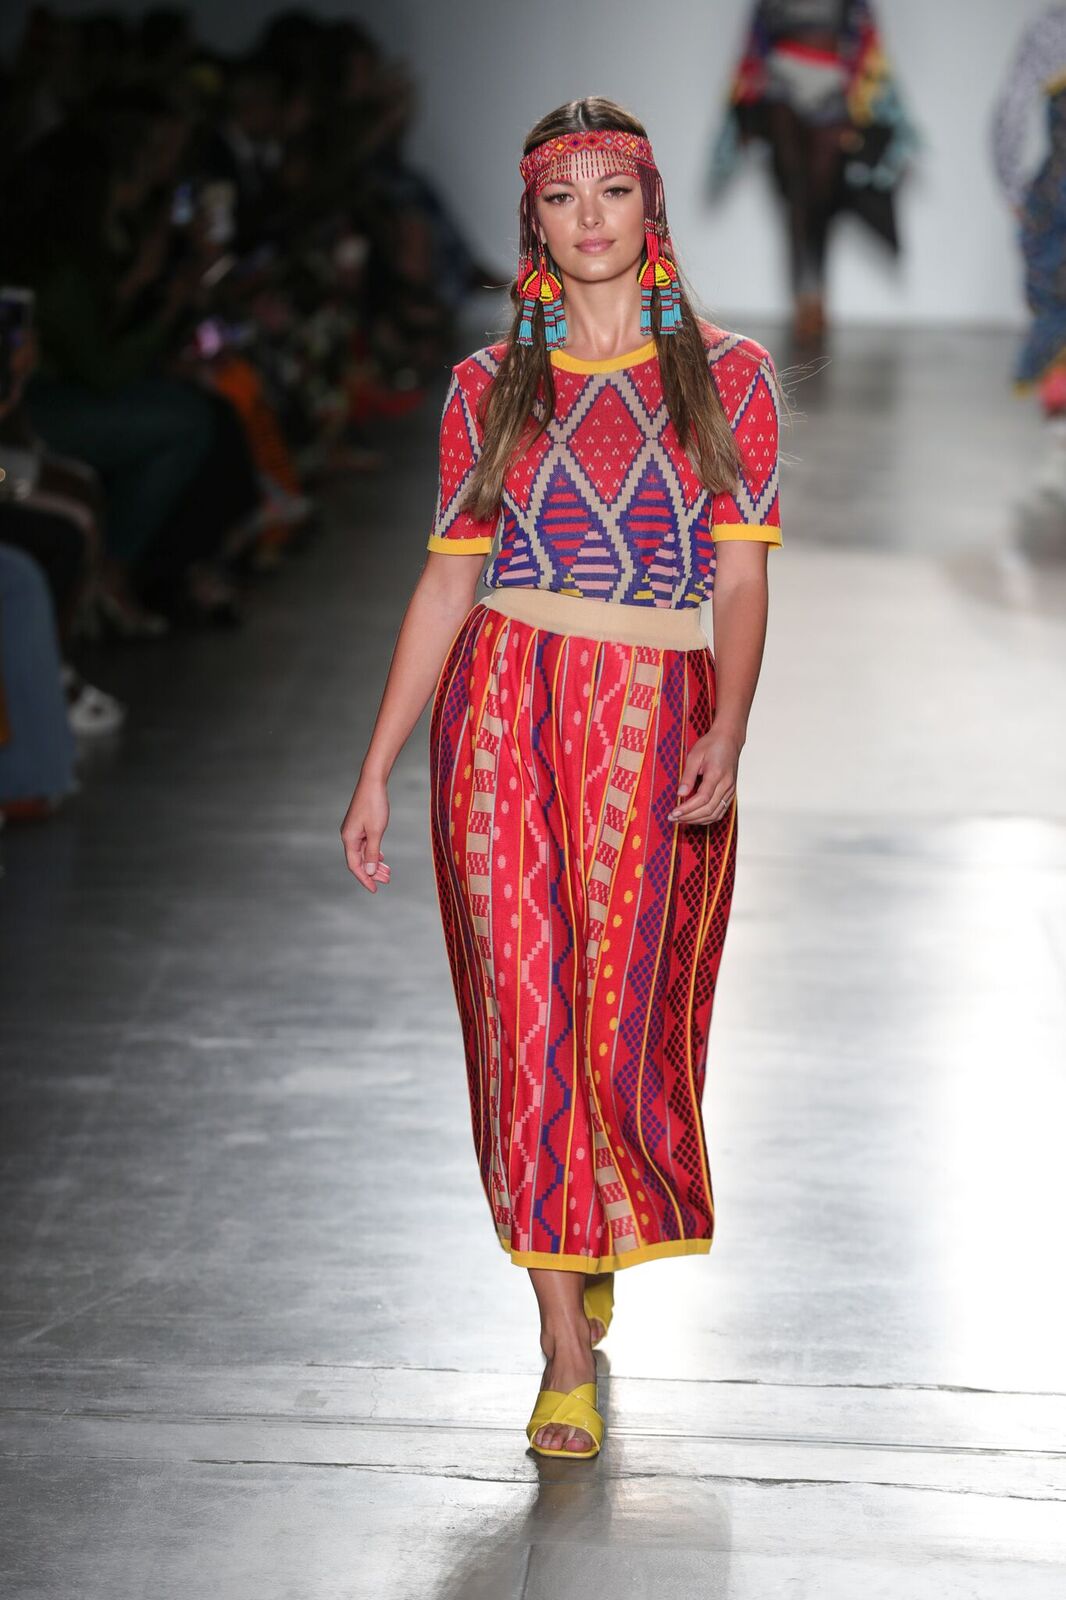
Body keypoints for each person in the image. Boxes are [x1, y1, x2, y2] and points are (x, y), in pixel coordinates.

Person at [340, 97, 783, 1460]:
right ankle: (558, 1346)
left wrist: (730, 728)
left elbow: (740, 575)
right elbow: (447, 583)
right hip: (501, 710)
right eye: (560, 195)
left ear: (651, 208)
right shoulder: (488, 385)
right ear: (531, 219)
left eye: (612, 190)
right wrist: (375, 766)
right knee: (524, 1015)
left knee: (621, 1019)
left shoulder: (727, 375)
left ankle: (589, 1226)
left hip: (654, 712)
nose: (589, 217)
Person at [710, 0, 917, 347]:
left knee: (822, 199)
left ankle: (816, 294)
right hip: (781, 84)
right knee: (795, 195)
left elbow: (867, 41)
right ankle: (804, 299)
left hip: (832, 84)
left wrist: (874, 108)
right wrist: (743, 110)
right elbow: (755, 42)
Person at [993, 6, 1066, 509]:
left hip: (1058, 197)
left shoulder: (1053, 28)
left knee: (1057, 319)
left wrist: (1017, 190)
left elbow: (1009, 116)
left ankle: (1060, 448)